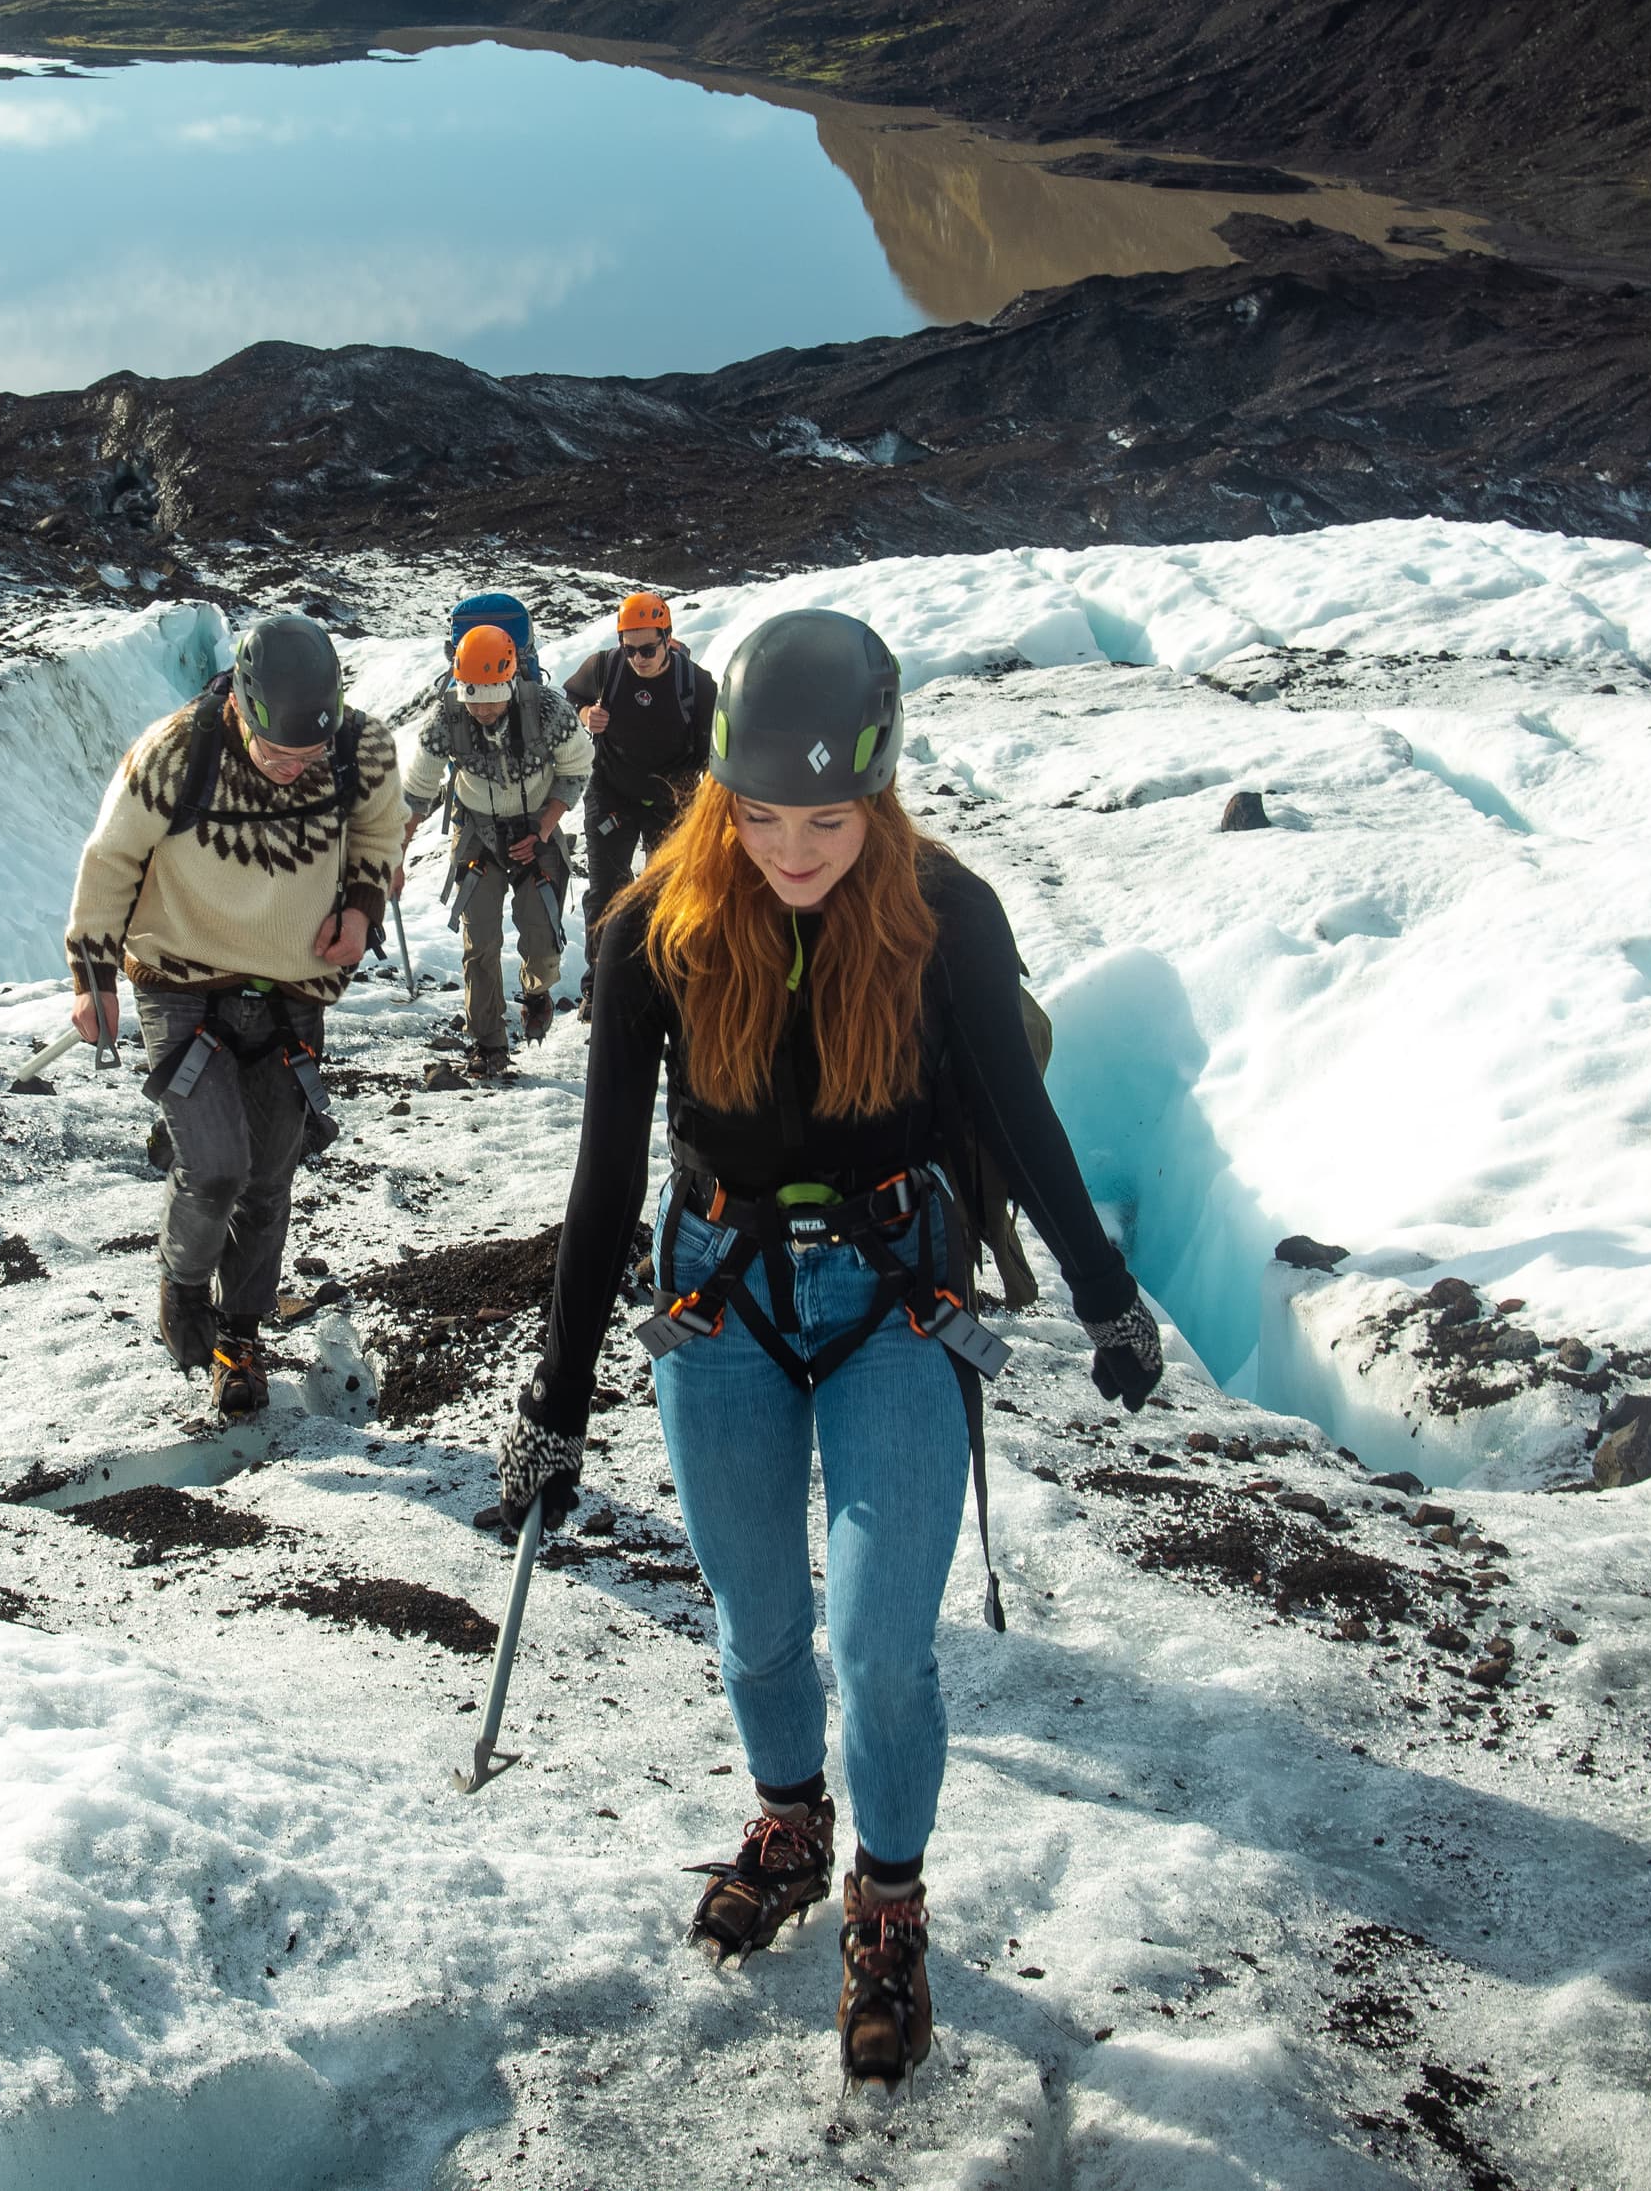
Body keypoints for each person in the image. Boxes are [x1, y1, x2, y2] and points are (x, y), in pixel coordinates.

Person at [493, 606, 1167, 2091]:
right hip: (717, 1302)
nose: (795, 848)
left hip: (893, 1303)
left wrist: (1109, 1292)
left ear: (883, 785)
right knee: (757, 1621)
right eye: (765, 814)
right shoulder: (650, 924)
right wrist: (555, 1403)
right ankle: (793, 1824)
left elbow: (1025, 1118)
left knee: (879, 1645)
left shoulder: (946, 914)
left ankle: (889, 1898)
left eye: (830, 817)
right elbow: (605, 1177)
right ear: (722, 786)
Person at [66, 611, 405, 1419]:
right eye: (276, 753)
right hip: (181, 976)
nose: (293, 772)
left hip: (293, 992)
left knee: (268, 1179)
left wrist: (359, 911)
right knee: (216, 1164)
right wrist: (92, 976)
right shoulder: (178, 753)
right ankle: (184, 1285)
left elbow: (377, 836)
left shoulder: (363, 750)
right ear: (244, 709)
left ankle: (240, 1335)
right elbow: (112, 857)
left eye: (307, 755)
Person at [400, 618, 593, 1078]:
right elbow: (418, 789)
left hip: (537, 825)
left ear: (511, 681)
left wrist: (545, 828)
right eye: (473, 698)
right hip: (477, 835)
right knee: (479, 940)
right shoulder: (447, 718)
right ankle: (489, 1044)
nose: (482, 711)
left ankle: (537, 990)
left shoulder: (548, 711)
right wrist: (397, 851)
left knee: (541, 935)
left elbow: (577, 769)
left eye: (491, 700)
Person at [559, 591, 717, 976]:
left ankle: (665, 978)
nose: (638, 660)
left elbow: (714, 747)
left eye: (647, 650)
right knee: (605, 891)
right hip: (612, 789)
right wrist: (585, 714)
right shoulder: (605, 668)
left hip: (673, 797)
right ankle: (600, 982)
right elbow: (569, 696)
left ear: (667, 638)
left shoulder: (695, 683)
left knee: (669, 892)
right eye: (629, 650)